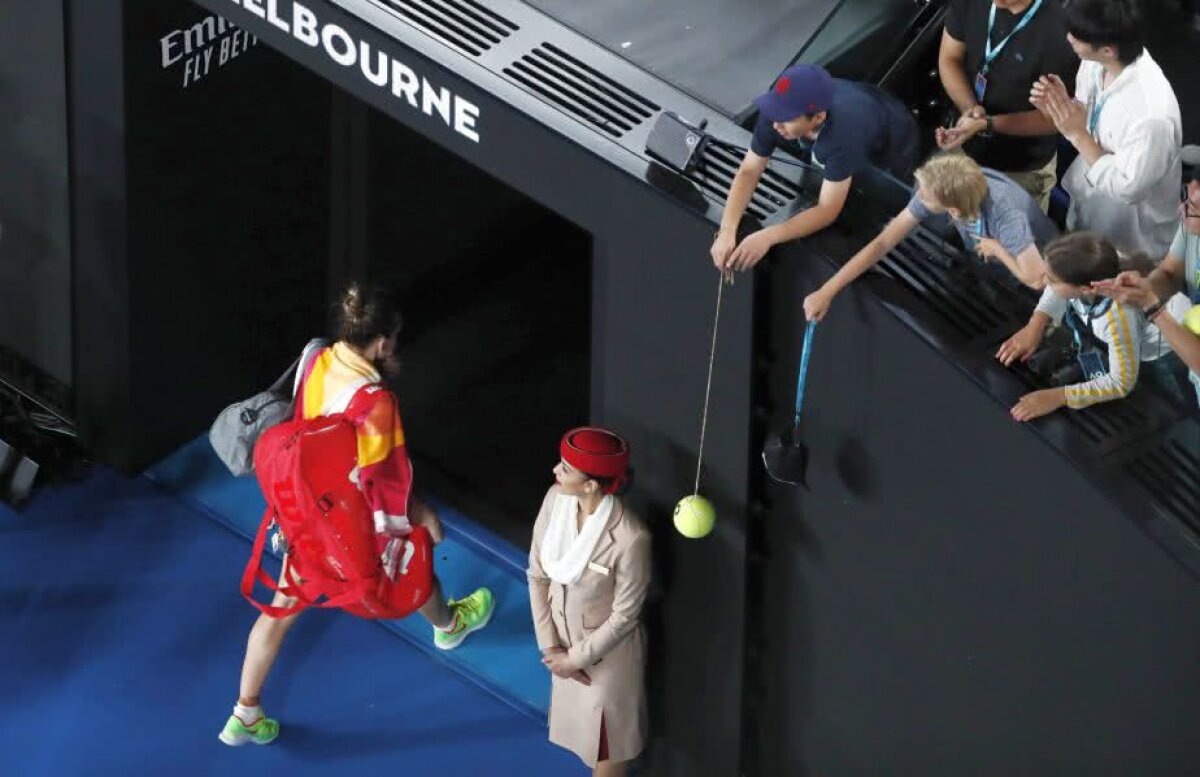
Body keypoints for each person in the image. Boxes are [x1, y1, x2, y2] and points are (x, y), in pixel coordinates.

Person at [218, 283, 496, 747]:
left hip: (302, 515)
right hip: (346, 519)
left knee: (278, 616)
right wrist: (419, 513)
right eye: (396, 337)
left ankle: (245, 713)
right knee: (413, 557)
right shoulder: (375, 403)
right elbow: (382, 479)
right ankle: (450, 626)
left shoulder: (315, 357)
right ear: (383, 342)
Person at [711, 64, 920, 272]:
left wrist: (768, 236)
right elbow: (749, 169)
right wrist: (727, 230)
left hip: (890, 136)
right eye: (775, 111)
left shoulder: (843, 137)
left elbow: (827, 209)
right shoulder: (776, 114)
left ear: (818, 117)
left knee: (878, 200)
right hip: (852, 103)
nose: (775, 125)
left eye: (787, 117)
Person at [527, 427, 651, 776]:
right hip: (562, 650)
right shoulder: (555, 500)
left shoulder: (631, 537)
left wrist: (575, 659)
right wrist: (550, 647)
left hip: (608, 662)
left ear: (591, 485)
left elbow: (625, 615)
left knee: (607, 754)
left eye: (566, 468)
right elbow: (537, 575)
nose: (555, 471)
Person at [803, 152, 1056, 322]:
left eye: (925, 198)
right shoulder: (943, 185)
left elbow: (1038, 279)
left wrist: (998, 250)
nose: (920, 198)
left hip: (1036, 275)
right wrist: (827, 291)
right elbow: (884, 242)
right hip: (986, 262)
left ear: (953, 210)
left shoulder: (1006, 215)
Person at [1030, 0, 1182, 256]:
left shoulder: (1152, 117)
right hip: (1088, 198)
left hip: (1131, 234)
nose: (1068, 39)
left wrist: (1077, 135)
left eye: (1076, 37)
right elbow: (1088, 111)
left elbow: (1128, 188)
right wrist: (1062, 107)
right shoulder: (1095, 61)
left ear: (1108, 50)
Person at [996, 232, 1191, 421]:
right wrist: (1036, 323)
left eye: (1052, 280)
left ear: (1086, 289)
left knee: (1168, 407)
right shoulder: (1097, 267)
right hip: (1126, 337)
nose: (1044, 282)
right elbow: (1056, 284)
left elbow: (1121, 382)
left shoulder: (1120, 315)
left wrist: (1058, 397)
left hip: (1167, 352)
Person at [936, 0, 1078, 211]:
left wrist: (988, 124)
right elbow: (949, 57)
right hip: (964, 144)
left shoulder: (1063, 31)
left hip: (1022, 169)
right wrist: (970, 109)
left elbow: (1055, 119)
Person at [1094, 165, 1200, 406]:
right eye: (1185, 196)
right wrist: (1143, 287)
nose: (1181, 210)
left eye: (1193, 209)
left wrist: (1153, 307)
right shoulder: (1191, 227)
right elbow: (1170, 273)